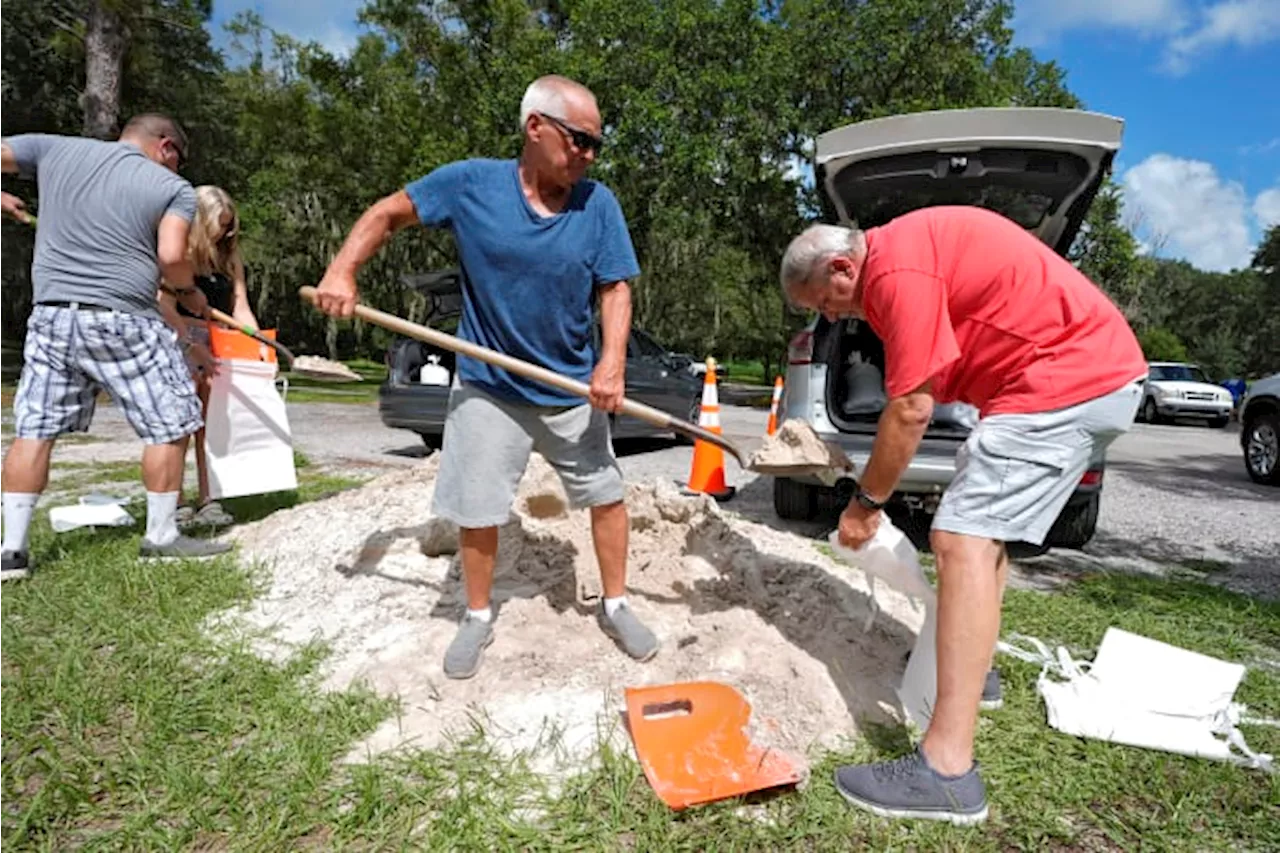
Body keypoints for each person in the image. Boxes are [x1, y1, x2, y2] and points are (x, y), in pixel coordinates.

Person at [779, 205, 1146, 824]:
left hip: (1062, 382)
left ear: (844, 266)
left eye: (827, 302)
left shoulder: (898, 271)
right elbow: (937, 376)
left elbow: (912, 410)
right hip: (1086, 378)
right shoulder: (910, 249)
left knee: (958, 538)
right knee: (980, 539)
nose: (833, 316)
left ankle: (946, 771)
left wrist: (866, 504)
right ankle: (973, 679)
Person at [312, 74, 657, 679]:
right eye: (579, 140)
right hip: (487, 385)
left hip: (571, 386)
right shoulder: (469, 184)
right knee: (478, 508)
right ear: (536, 128)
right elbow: (388, 214)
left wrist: (611, 363)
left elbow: (615, 289)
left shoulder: (597, 203)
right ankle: (476, 616)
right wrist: (342, 270)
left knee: (605, 495)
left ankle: (618, 603)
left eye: (597, 144)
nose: (589, 155)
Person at [0, 114, 233, 582]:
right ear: (166, 147)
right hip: (123, 318)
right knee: (172, 419)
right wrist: (190, 293)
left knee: (35, 428)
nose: (176, 167)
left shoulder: (53, 148)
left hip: (51, 317)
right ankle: (162, 537)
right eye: (177, 159)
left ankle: (11, 553)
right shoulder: (173, 188)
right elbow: (170, 257)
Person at [174, 185, 259, 529]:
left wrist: (255, 343)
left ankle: (210, 498)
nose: (224, 232)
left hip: (218, 340)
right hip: (178, 336)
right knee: (178, 422)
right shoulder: (176, 252)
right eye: (219, 224)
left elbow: (240, 305)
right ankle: (176, 502)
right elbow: (161, 303)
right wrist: (188, 344)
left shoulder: (228, 257)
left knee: (212, 426)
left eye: (228, 225)